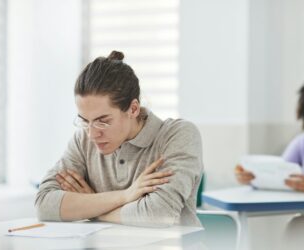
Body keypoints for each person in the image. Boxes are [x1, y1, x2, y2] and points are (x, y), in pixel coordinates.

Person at [35, 51, 204, 227]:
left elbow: (159, 215)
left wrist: (93, 208)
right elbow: (44, 205)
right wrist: (125, 195)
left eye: (103, 121)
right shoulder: (83, 140)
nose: (92, 134)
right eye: (85, 121)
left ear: (133, 109)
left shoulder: (178, 135)